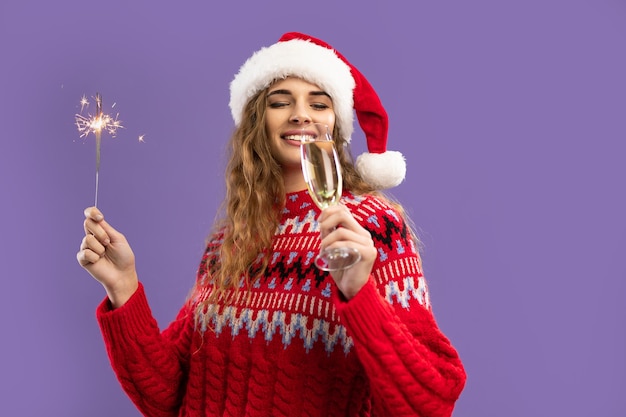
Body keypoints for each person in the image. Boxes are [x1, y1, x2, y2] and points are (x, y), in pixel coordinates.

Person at [77, 32, 466, 417]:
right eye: (281, 102)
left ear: (337, 123)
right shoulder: (231, 241)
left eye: (319, 103)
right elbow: (170, 397)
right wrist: (123, 285)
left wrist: (359, 293)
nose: (301, 114)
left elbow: (429, 403)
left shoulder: (371, 226)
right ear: (257, 122)